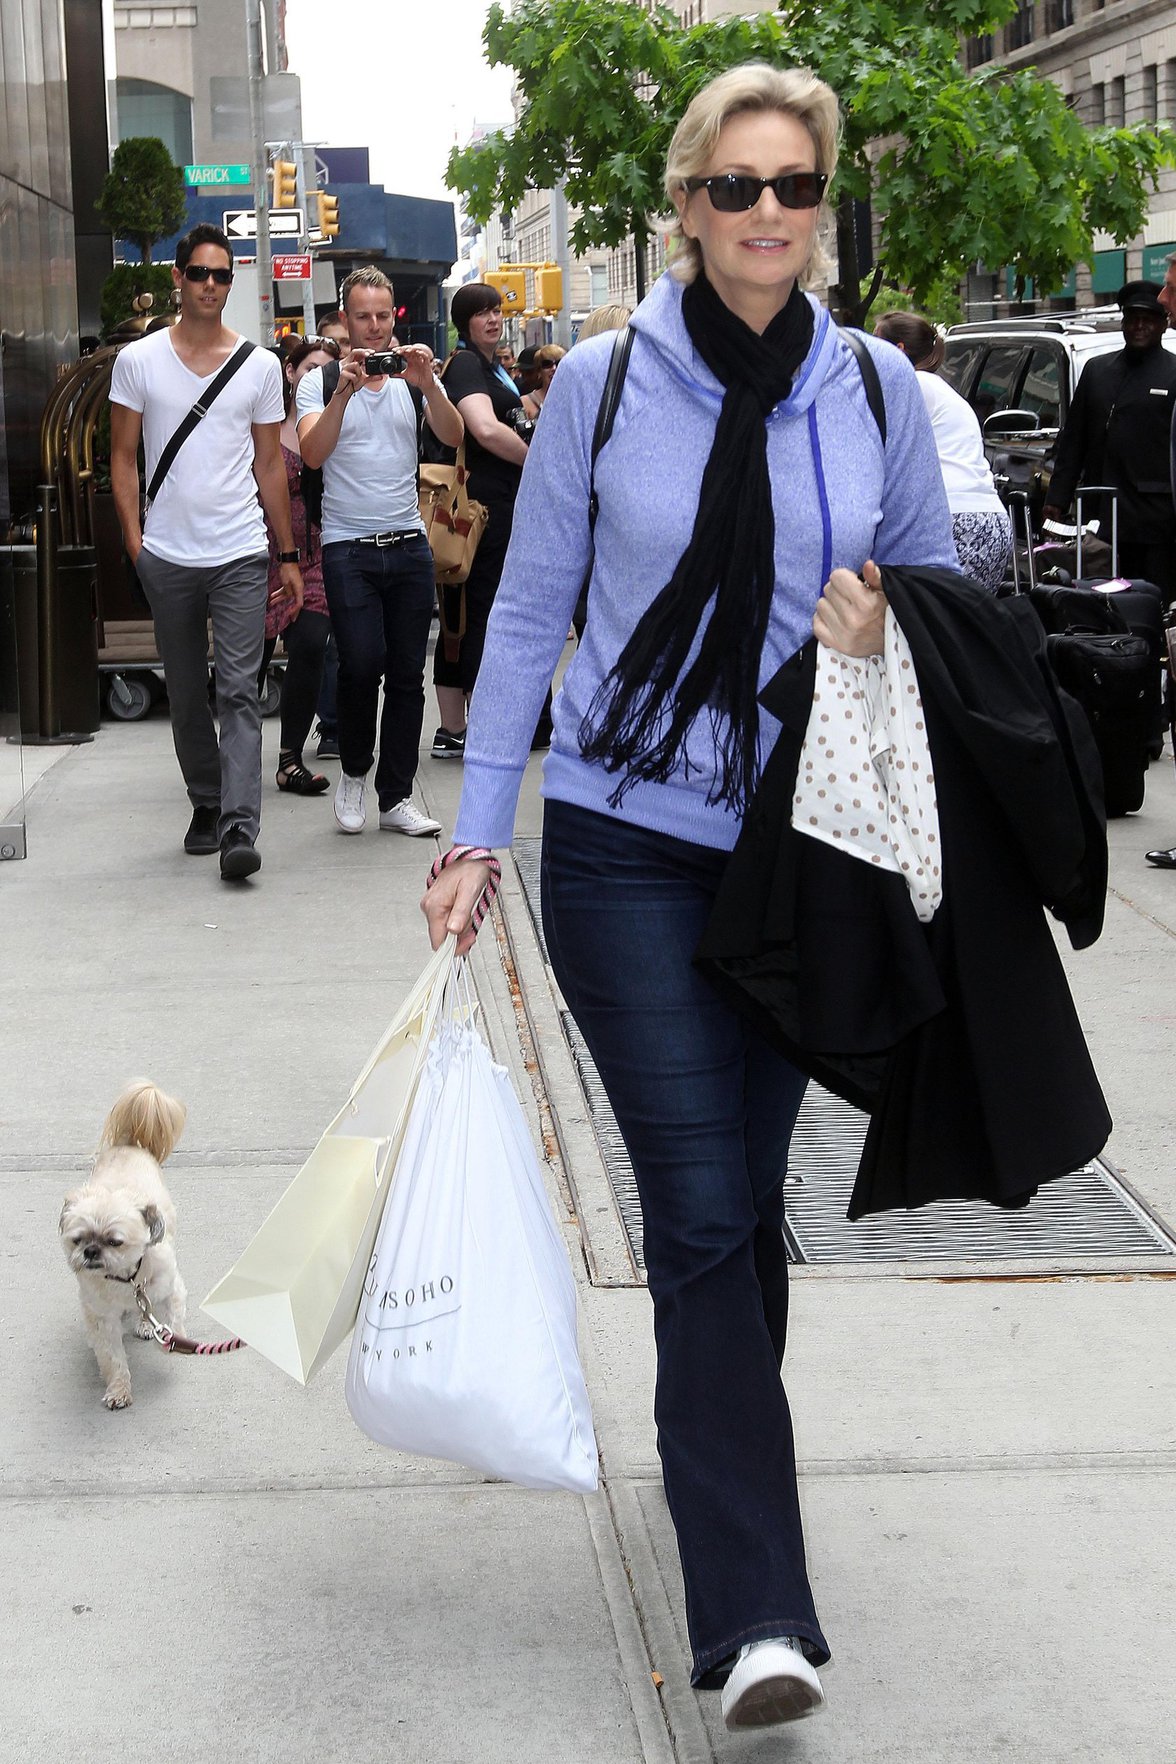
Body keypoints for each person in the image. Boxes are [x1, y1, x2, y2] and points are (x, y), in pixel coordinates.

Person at [423, 63, 956, 1730]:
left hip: (804, 848)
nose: (767, 216)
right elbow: (527, 613)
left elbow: (951, 594)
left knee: (729, 1208)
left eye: (795, 187)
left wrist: (888, 632)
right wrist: (476, 825)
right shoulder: (599, 384)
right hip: (624, 837)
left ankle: (727, 1491)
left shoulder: (872, 394)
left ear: (822, 206)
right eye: (736, 188)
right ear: (686, 203)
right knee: (704, 1193)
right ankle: (756, 1609)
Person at [109, 222, 303, 882]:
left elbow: (270, 466)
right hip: (167, 555)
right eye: (200, 274)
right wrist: (136, 542)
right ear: (178, 278)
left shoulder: (257, 365)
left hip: (241, 552)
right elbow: (123, 458)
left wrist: (287, 553)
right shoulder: (138, 361)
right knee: (188, 692)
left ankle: (239, 828)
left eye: (222, 275)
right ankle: (206, 800)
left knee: (240, 694)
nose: (212, 286)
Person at [296, 266, 463, 836]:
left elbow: (456, 434)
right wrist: (343, 388)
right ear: (344, 319)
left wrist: (429, 384)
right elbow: (313, 454)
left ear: (396, 317)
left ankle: (394, 797)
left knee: (407, 675)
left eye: (382, 315)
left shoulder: (410, 379)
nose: (373, 327)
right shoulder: (319, 383)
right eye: (361, 316)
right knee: (361, 664)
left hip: (409, 543)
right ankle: (352, 774)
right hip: (348, 547)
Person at [429, 283, 531, 761]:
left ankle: (454, 730)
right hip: (481, 513)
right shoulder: (468, 364)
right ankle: (477, 725)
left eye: (496, 310)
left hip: (490, 510)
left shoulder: (491, 367)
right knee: (479, 616)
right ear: (463, 323)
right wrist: (537, 460)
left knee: (465, 615)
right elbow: (485, 430)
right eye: (480, 313)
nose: (492, 319)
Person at [1042, 281, 1176, 598]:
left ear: (1162, 324)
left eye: (1148, 319)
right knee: (1100, 598)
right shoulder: (1097, 370)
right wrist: (1057, 498)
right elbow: (1073, 440)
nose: (1139, 326)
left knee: (1153, 599)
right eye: (1132, 318)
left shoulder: (1173, 373)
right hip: (1100, 515)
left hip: (1155, 518)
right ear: (1123, 322)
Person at [873, 309, 1012, 591]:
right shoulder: (941, 389)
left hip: (955, 523)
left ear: (898, 350)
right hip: (989, 521)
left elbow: (877, 450)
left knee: (933, 627)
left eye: (876, 344)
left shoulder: (914, 384)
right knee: (963, 628)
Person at [258, 335, 340, 797]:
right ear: (290, 372)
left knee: (311, 644)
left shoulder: (335, 424)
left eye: (327, 370)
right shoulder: (264, 426)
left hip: (313, 558)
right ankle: (233, 755)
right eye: (310, 367)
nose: (317, 377)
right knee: (250, 662)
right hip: (259, 555)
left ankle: (290, 759)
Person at [520, 343, 566, 421]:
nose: (554, 368)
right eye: (547, 364)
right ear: (539, 371)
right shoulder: (525, 402)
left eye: (559, 363)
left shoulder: (574, 398)